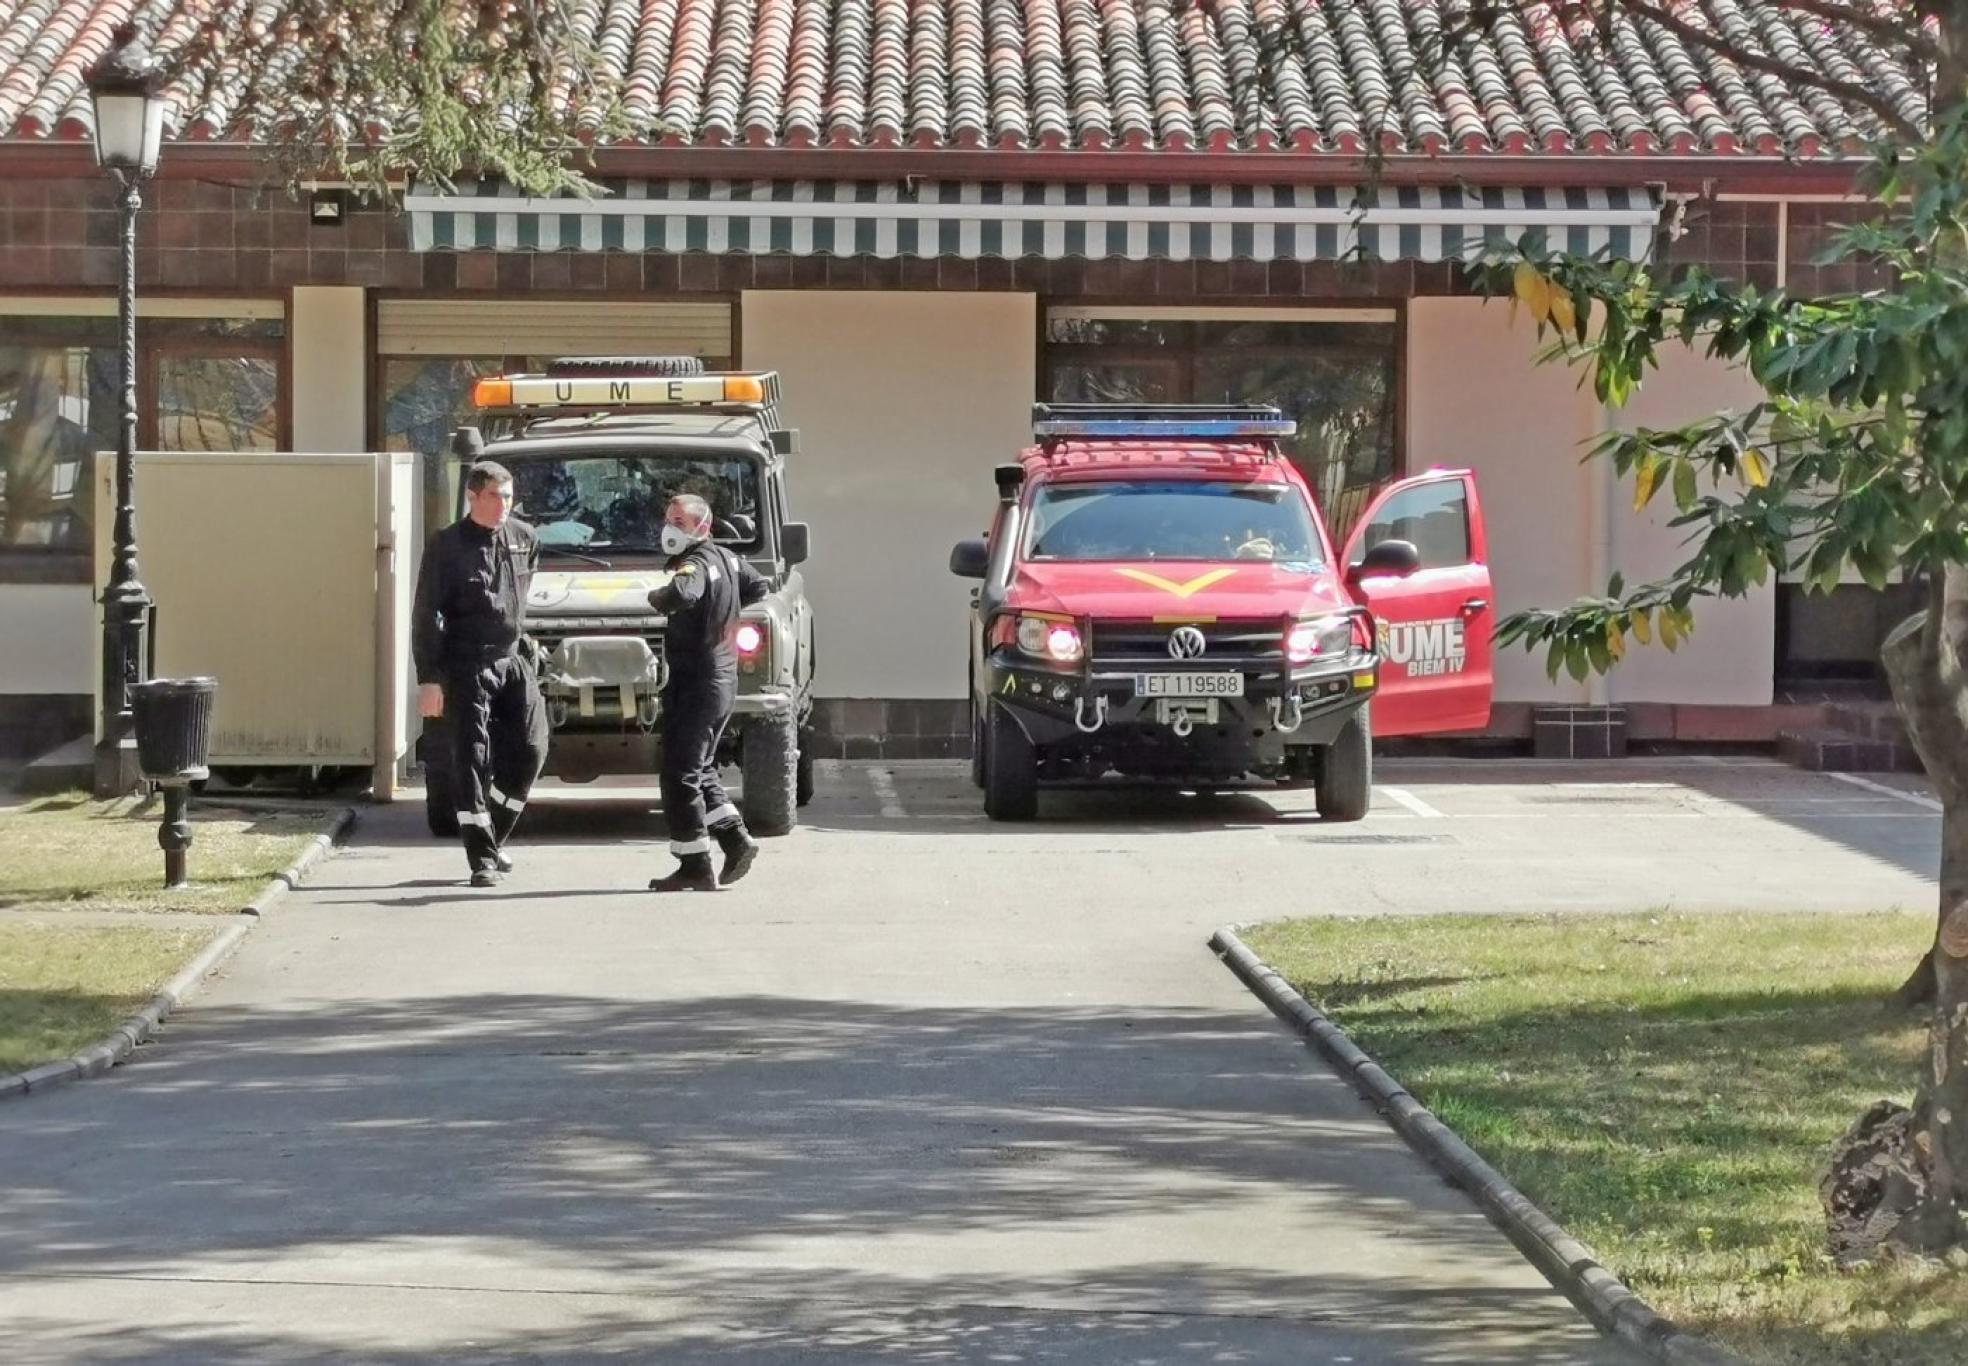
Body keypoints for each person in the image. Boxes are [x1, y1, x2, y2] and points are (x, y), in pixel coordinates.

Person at [411, 460, 550, 887]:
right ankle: (481, 860)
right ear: (472, 497)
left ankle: (494, 834)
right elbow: (426, 613)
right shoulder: (447, 544)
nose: (503, 504)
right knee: (472, 756)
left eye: (508, 496)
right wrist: (430, 677)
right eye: (494, 496)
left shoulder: (523, 538)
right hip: (466, 661)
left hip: (513, 657)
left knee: (531, 746)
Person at [646, 493, 769, 893]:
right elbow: (757, 585)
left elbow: (683, 594)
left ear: (703, 525)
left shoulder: (695, 563)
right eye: (669, 519)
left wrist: (658, 598)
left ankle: (694, 863)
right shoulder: (729, 559)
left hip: (698, 682)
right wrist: (724, 611)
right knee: (701, 768)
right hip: (722, 679)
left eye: (680, 521)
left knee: (679, 773)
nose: (671, 527)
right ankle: (735, 841)